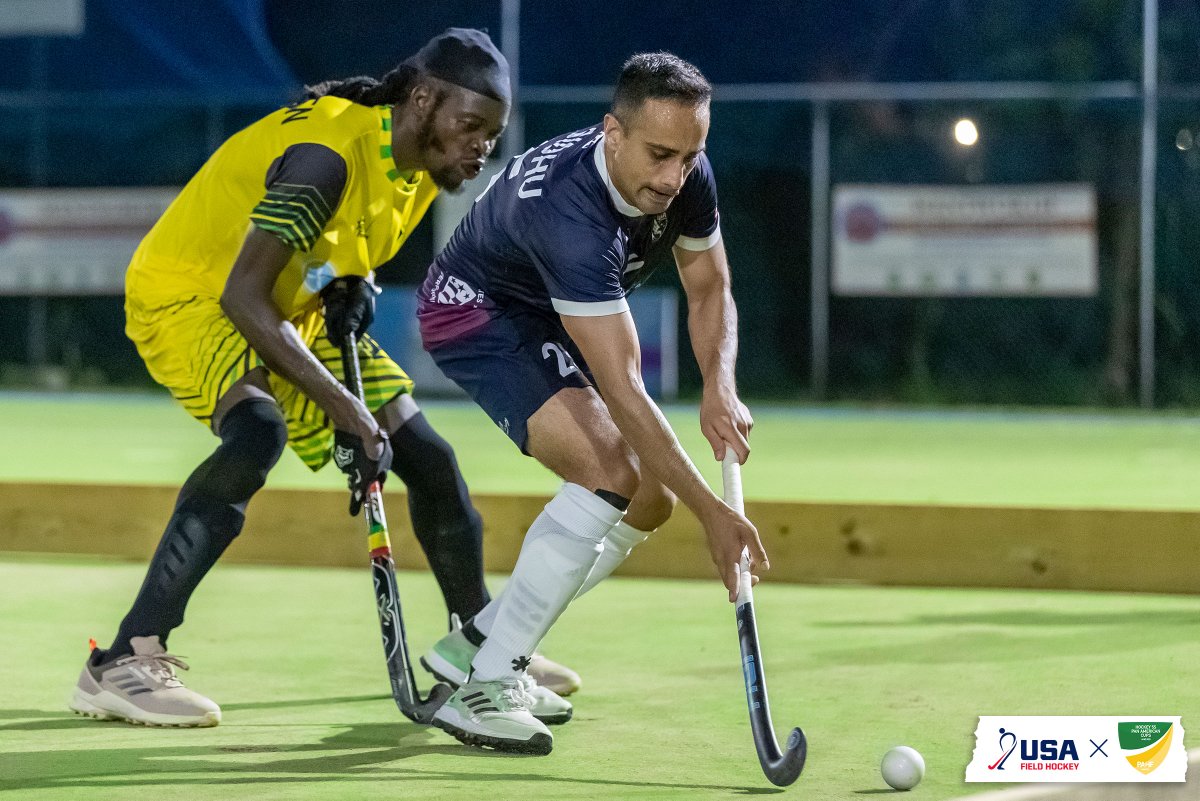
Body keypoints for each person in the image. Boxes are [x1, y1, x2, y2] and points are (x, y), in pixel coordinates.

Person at [68, 28, 575, 729]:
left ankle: (481, 646)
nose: (480, 147)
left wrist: (353, 280)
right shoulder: (325, 157)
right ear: (422, 100)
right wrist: (344, 408)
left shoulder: (421, 166)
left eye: (491, 135)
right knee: (256, 435)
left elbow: (347, 240)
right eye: (470, 126)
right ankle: (123, 658)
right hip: (191, 294)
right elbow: (241, 296)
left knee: (428, 456)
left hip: (288, 306)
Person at [415, 51, 769, 755]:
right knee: (611, 468)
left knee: (647, 501)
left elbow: (710, 289)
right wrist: (717, 516)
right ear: (614, 133)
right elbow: (626, 391)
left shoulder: (686, 173)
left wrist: (718, 383)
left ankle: (478, 643)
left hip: (547, 308)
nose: (674, 177)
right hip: (476, 311)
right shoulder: (572, 217)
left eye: (689, 155)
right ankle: (488, 683)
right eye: (660, 154)